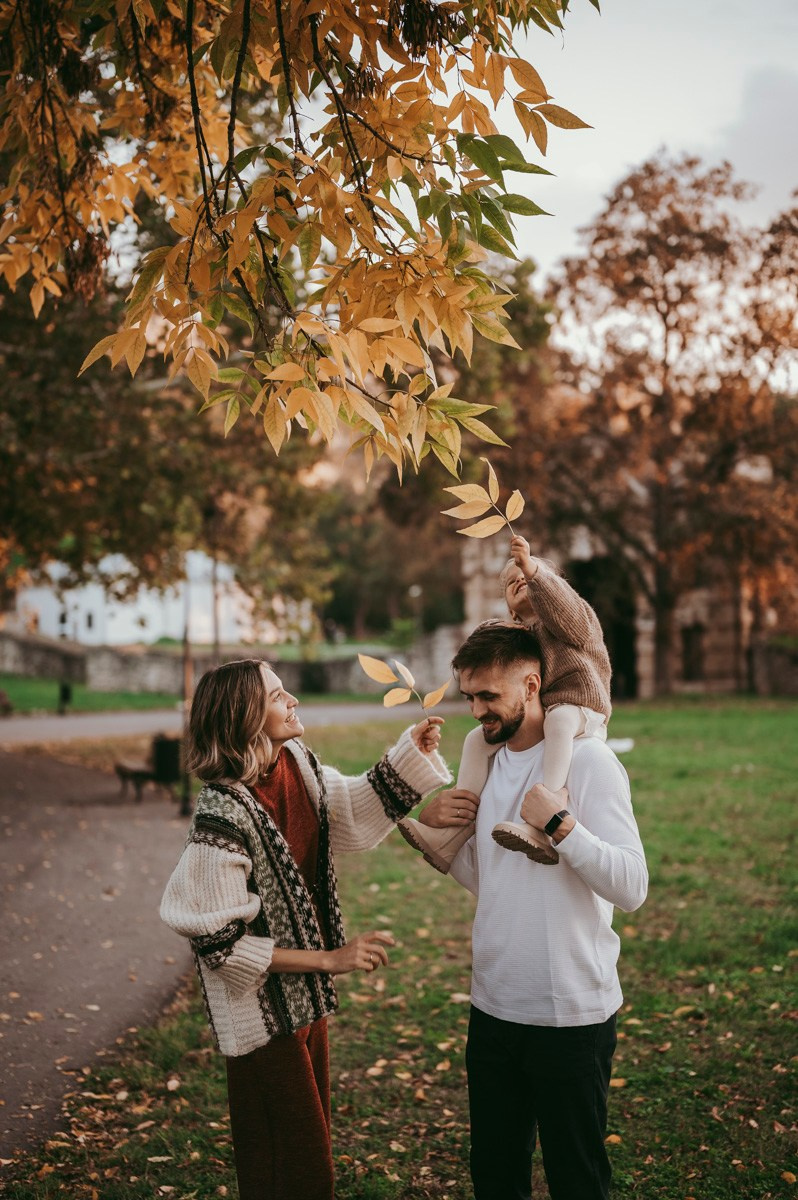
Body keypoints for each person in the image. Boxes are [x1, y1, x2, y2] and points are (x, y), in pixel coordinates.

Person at [160, 658, 450, 1200]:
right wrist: (330, 959)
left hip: (306, 1000)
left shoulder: (295, 761)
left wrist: (411, 754)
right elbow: (221, 947)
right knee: (290, 1163)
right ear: (245, 717)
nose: (292, 699)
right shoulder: (220, 818)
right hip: (262, 1012)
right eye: (276, 696)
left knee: (307, 1152)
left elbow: (347, 813)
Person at [416, 622, 647, 1200]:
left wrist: (561, 826)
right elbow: (492, 881)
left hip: (570, 1015)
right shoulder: (487, 766)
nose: (476, 711)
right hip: (493, 1009)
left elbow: (632, 886)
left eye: (488, 696)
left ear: (532, 684)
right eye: (469, 697)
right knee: (495, 1176)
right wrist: (438, 833)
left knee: (577, 1180)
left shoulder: (589, 763)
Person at [399, 533, 612, 869]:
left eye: (527, 576)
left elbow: (566, 611)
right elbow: (487, 646)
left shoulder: (574, 620)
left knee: (559, 720)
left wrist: (534, 572)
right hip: (548, 712)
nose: (520, 580)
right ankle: (454, 833)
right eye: (512, 582)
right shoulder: (521, 638)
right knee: (475, 740)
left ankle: (545, 815)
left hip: (582, 707)